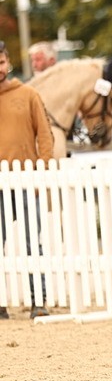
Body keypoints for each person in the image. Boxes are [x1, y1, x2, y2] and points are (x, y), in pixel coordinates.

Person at [0, 40, 53, 319]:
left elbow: (45, 135)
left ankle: (38, 300)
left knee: (33, 243)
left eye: (1, 62)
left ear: (8, 63)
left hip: (25, 182)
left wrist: (40, 175)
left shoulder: (28, 94)